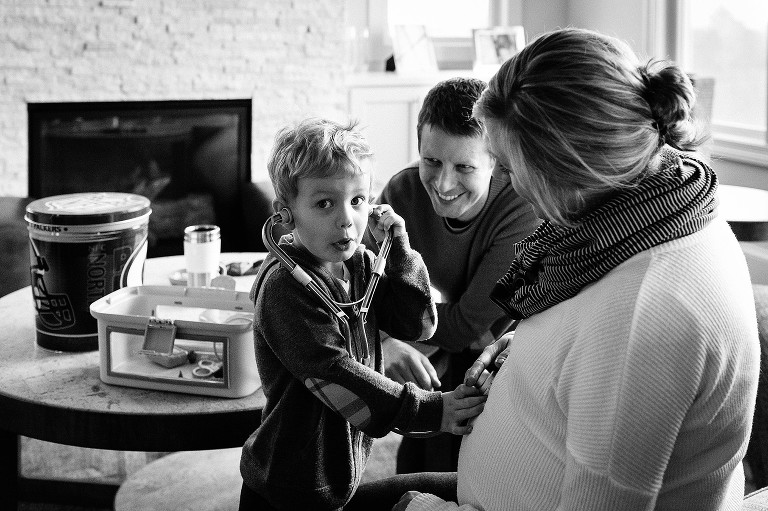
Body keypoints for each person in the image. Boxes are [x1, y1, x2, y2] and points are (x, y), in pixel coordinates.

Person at [370, 27, 760, 511]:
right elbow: (586, 340)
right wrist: (520, 352)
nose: (506, 184)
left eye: (509, 168)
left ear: (569, 170)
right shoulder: (660, 214)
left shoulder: (644, 317)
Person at [238, 118, 489, 511]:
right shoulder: (284, 288)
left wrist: (401, 252)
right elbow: (334, 375)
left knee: (469, 486)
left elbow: (419, 325)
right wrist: (432, 410)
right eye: (325, 203)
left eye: (357, 201)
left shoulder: (359, 266)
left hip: (340, 476)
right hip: (288, 488)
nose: (346, 219)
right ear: (285, 214)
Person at [367, 77, 540, 473]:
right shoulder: (403, 191)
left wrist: (400, 314)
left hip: (495, 352)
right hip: (438, 337)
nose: (443, 183)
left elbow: (465, 327)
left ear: (495, 160)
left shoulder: (521, 207)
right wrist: (387, 340)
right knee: (414, 452)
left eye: (464, 166)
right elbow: (358, 288)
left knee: (453, 454)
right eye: (431, 161)